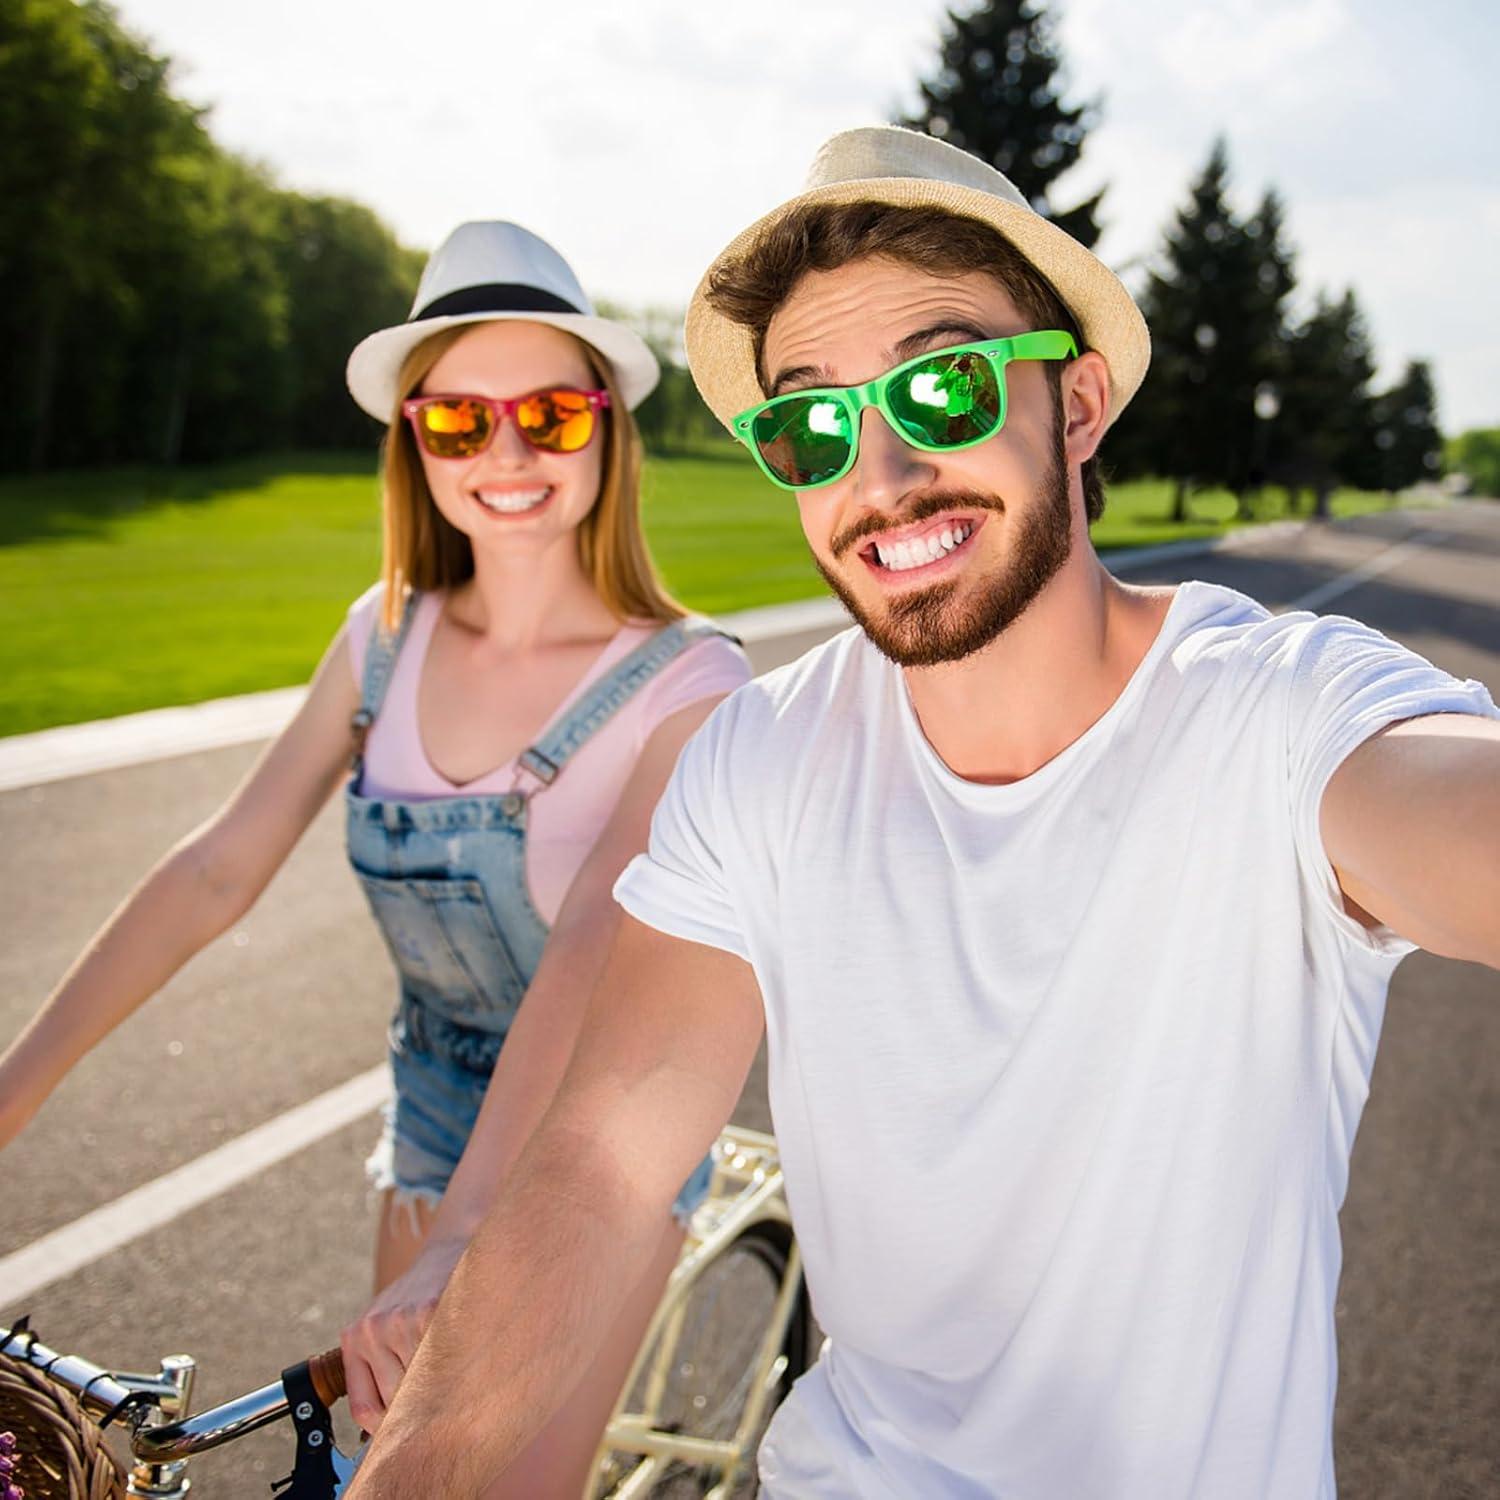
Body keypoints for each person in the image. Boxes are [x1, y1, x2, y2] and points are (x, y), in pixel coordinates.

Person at [344, 130, 1500, 1500]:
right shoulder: (762, 753)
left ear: (1074, 407)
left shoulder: (1279, 714)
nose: (879, 476)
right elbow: (600, 1164)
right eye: (812, 424)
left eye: (944, 389)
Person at [0, 221, 749, 1497]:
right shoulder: (383, 634)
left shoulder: (688, 682)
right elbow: (214, 872)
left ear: (606, 433)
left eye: (550, 416)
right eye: (459, 422)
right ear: (413, 438)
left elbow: (588, 953)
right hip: (433, 1105)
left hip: (600, 1132)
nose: (505, 455)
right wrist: (11, 1094)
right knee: (375, 1471)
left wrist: (469, 1233)